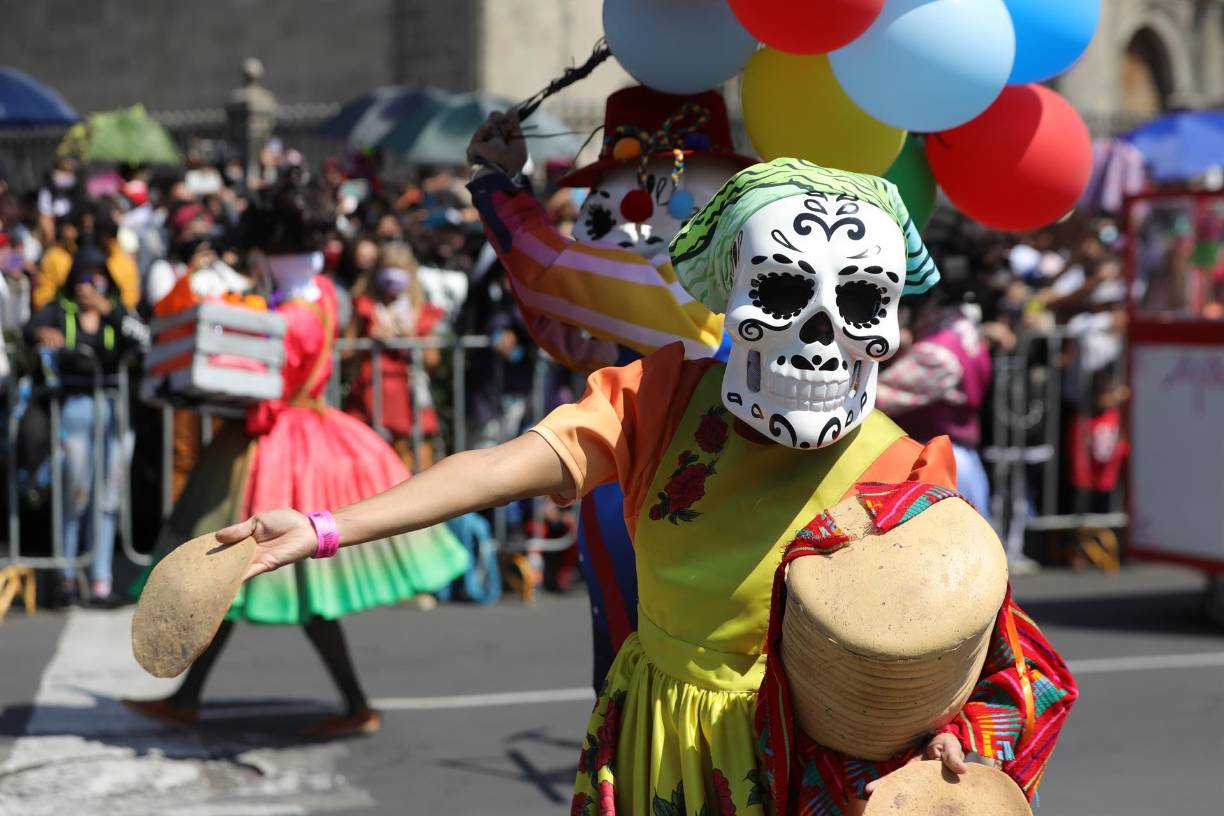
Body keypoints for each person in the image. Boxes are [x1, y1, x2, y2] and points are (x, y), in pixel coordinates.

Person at [211, 161, 1075, 814]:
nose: (820, 340)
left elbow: (984, 657)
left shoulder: (908, 471)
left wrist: (958, 743)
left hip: (791, 766)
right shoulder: (661, 398)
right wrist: (325, 527)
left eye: (858, 303)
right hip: (650, 731)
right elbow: (497, 467)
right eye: (779, 292)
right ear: (733, 293)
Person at [125, 180, 470, 736]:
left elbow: (262, 379)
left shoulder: (294, 315)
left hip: (280, 446)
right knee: (241, 580)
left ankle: (347, 704)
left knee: (244, 572)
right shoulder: (317, 298)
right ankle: (194, 696)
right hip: (297, 436)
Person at [467, 86, 753, 690]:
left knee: (676, 679)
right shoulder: (656, 300)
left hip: (694, 501)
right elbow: (564, 321)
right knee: (624, 673)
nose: (632, 220)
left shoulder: (695, 297)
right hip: (632, 489)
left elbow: (559, 280)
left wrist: (499, 187)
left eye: (661, 197)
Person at [25, 244, 148, 606]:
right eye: (79, 279)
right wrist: (40, 336)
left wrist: (109, 313)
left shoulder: (117, 314)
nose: (85, 287)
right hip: (75, 409)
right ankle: (66, 575)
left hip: (114, 410)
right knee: (75, 492)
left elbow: (142, 337)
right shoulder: (58, 312)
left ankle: (100, 578)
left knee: (108, 496)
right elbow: (31, 326)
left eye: (93, 279)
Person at [344, 241, 445, 471]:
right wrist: (370, 340)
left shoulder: (420, 311)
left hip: (408, 402)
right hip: (369, 399)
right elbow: (346, 352)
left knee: (411, 466)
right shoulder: (364, 306)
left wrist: (411, 339)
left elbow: (433, 360)